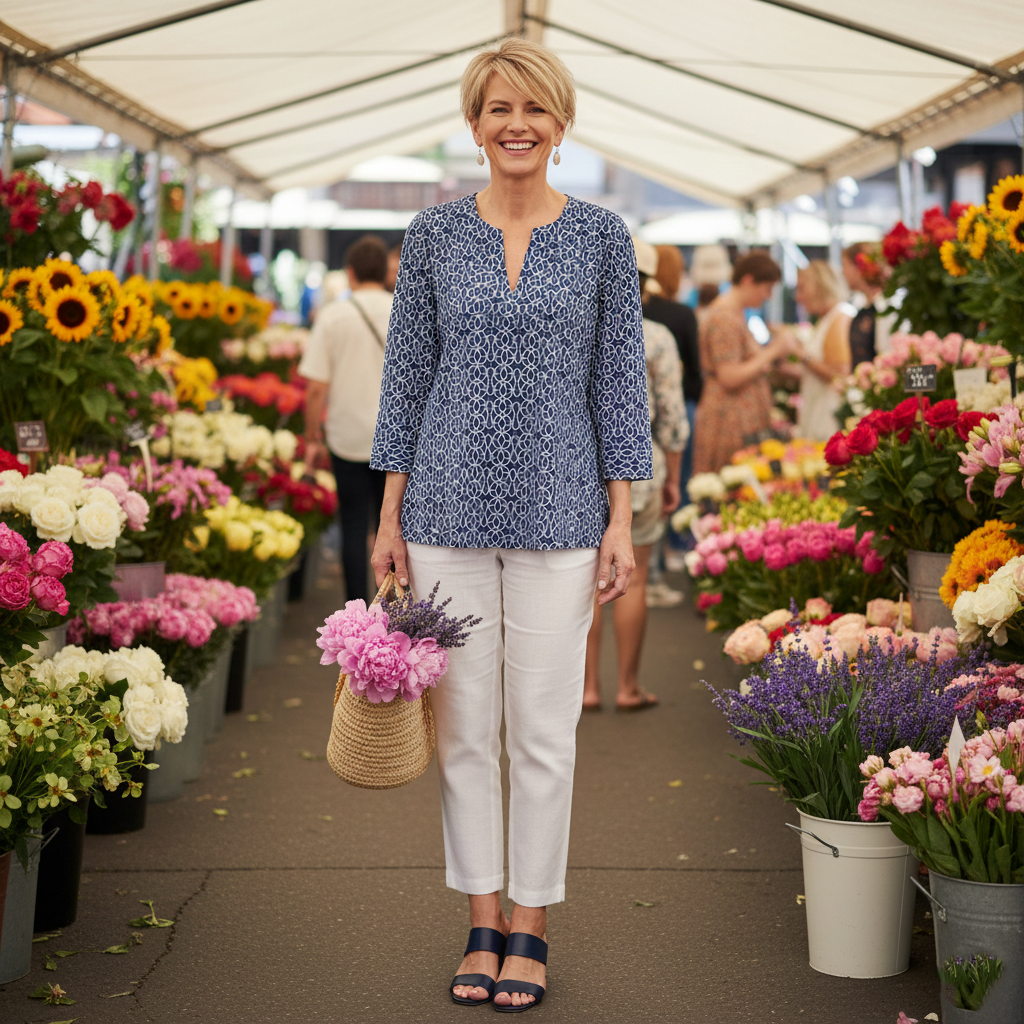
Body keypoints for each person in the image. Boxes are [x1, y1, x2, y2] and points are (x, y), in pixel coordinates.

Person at [368, 38, 652, 1014]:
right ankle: (481, 919)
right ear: (474, 122)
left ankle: (531, 922)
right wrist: (388, 514)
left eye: (533, 108)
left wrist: (622, 517)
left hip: (563, 511)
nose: (515, 124)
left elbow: (621, 381)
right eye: (497, 108)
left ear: (561, 123)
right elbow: (405, 376)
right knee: (462, 735)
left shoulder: (606, 237)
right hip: (442, 509)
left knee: (541, 733)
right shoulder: (433, 235)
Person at [583, 239, 687, 711]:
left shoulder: (579, 326)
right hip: (640, 467)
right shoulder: (658, 337)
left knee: (583, 584)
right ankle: (627, 686)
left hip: (580, 467)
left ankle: (586, 689)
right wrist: (673, 478)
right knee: (634, 578)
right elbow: (671, 416)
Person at [299, 235, 392, 603]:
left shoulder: (333, 316)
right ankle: (395, 610)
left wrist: (312, 435)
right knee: (393, 525)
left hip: (346, 437)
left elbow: (316, 387)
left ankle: (358, 609)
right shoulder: (403, 309)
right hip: (396, 441)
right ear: (385, 271)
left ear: (350, 273)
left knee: (353, 525)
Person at [692, 252, 801, 474]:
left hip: (738, 418)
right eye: (767, 288)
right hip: (727, 420)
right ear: (748, 280)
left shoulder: (735, 314)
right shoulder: (724, 317)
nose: (768, 296)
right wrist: (774, 350)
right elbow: (729, 377)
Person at [793, 261, 854, 441]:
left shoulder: (839, 317)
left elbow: (839, 374)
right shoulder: (826, 319)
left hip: (829, 417)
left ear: (818, 286)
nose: (798, 297)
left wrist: (802, 354)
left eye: (802, 288)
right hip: (818, 412)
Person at [842, 242, 894, 366]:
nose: (842, 273)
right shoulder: (861, 305)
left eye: (845, 266)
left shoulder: (886, 308)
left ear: (859, 268)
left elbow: (887, 355)